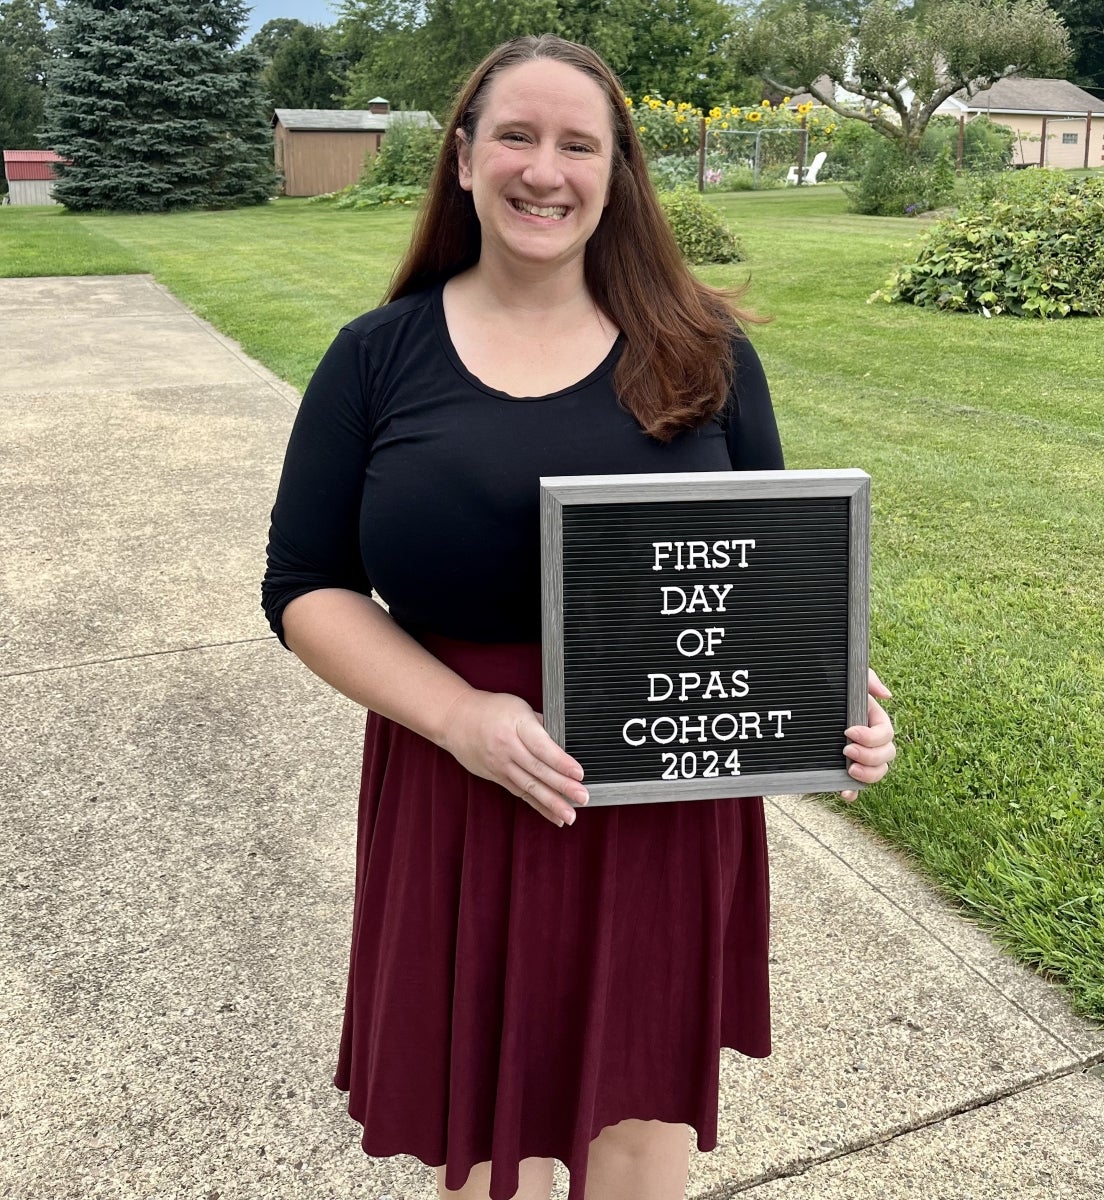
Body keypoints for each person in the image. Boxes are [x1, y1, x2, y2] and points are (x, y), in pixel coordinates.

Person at [261, 33, 895, 1200]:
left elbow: (774, 575)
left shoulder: (703, 351)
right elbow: (304, 584)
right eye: (515, 135)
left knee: (639, 1129)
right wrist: (459, 718)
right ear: (461, 160)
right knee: (483, 1134)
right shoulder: (376, 358)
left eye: (577, 144)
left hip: (664, 802)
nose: (543, 170)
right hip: (464, 791)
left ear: (616, 174)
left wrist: (831, 700)